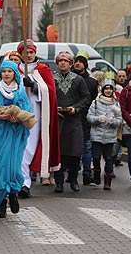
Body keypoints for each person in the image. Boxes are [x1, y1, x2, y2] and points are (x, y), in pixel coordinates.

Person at [0, 60, 32, 218]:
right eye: (4, 71)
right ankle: (1, 202)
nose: (6, 74)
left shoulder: (20, 92)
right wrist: (1, 116)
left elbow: (28, 111)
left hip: (14, 134)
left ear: (15, 74)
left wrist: (18, 118)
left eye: (9, 71)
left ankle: (13, 192)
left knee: (12, 166)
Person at [17, 39, 60, 198]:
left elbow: (51, 92)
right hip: (16, 114)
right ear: (20, 54)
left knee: (28, 149)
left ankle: (25, 183)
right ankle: (21, 182)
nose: (28, 55)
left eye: (31, 52)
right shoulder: (14, 70)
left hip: (35, 114)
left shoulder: (43, 70)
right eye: (25, 52)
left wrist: (34, 86)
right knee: (17, 149)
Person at [53, 51, 91, 193]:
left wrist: (75, 108)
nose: (63, 63)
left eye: (66, 61)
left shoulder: (78, 80)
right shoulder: (52, 78)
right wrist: (53, 109)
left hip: (74, 121)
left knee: (75, 153)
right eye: (60, 61)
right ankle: (59, 182)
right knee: (59, 153)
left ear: (70, 64)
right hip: (58, 120)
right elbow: (48, 98)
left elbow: (86, 97)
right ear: (57, 63)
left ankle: (74, 180)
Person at [86, 79, 122, 189]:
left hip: (110, 136)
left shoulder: (116, 104)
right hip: (97, 135)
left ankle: (107, 182)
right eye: (106, 88)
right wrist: (98, 119)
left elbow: (120, 120)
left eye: (110, 88)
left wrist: (114, 122)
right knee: (96, 157)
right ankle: (96, 175)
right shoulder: (96, 102)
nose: (108, 91)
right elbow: (89, 117)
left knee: (109, 159)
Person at [72, 51, 98, 186]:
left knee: (87, 147)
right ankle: (73, 173)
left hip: (86, 118)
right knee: (72, 147)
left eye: (81, 61)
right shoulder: (68, 78)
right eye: (76, 61)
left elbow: (94, 100)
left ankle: (87, 173)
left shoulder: (92, 82)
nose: (77, 63)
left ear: (85, 64)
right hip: (71, 117)